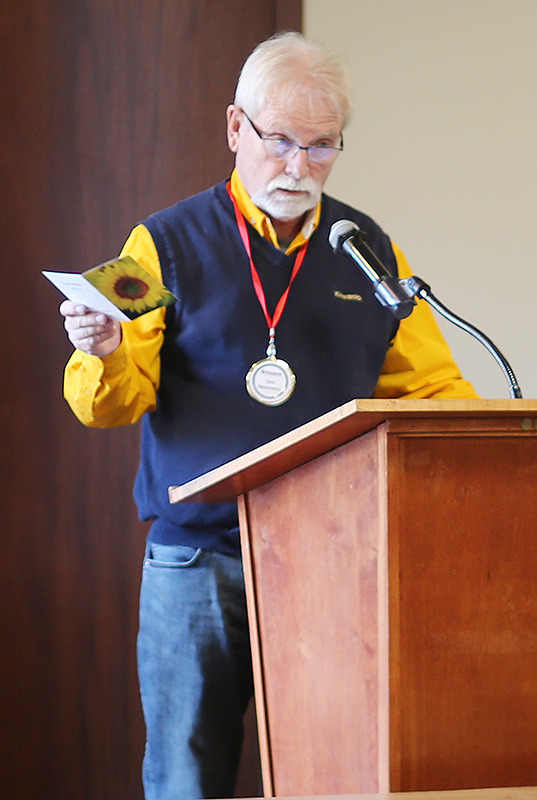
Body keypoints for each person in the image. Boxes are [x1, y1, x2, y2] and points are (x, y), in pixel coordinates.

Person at [60, 31, 478, 800]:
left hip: (332, 563)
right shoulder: (161, 243)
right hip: (198, 559)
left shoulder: (367, 251)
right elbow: (113, 402)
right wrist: (104, 348)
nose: (297, 166)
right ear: (235, 128)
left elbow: (431, 391)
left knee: (336, 774)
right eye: (279, 140)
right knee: (186, 780)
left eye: (320, 146)